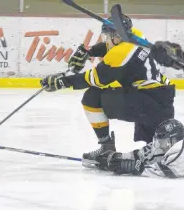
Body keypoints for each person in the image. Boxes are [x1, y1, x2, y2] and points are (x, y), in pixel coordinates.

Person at [40, 15, 176, 168]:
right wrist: (89, 52)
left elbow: (95, 78)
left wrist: (63, 81)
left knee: (93, 96)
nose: (105, 40)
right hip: (159, 100)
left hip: (148, 104)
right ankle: (158, 147)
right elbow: (108, 46)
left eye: (107, 36)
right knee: (157, 149)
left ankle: (106, 147)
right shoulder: (136, 35)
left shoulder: (120, 54)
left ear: (117, 36)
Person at [94, 119, 184, 178]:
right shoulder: (172, 145)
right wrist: (118, 157)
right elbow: (145, 155)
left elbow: (170, 171)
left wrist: (135, 167)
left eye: (163, 142)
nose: (159, 145)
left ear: (174, 140)